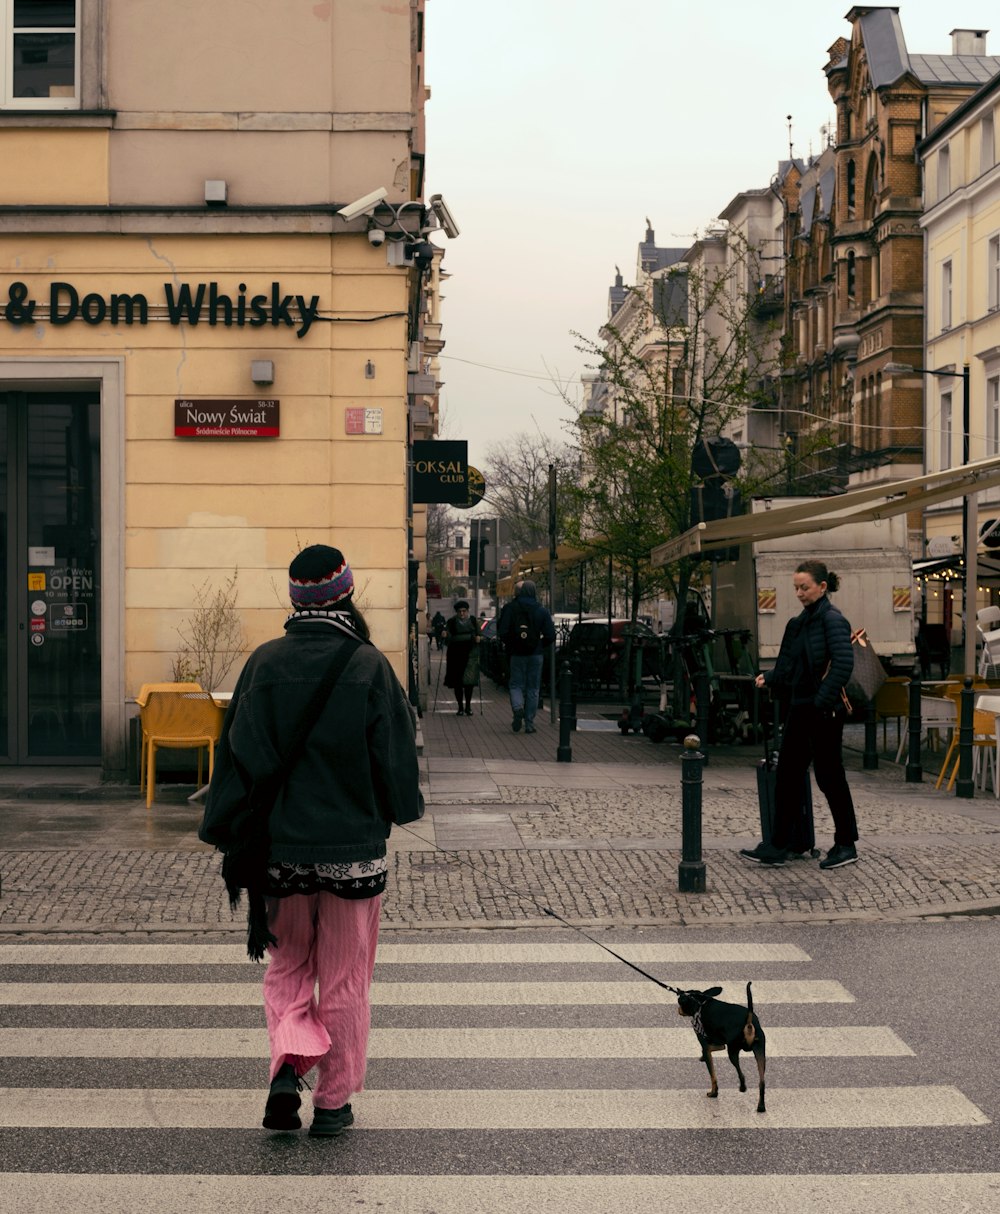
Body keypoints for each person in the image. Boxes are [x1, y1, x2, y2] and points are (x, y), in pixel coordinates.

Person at [199, 544, 423, 1137]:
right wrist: (398, 809)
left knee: (288, 967)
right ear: (345, 593)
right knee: (347, 978)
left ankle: (286, 1064)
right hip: (352, 852)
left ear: (295, 600)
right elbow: (396, 761)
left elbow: (236, 757)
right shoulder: (369, 666)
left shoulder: (263, 664)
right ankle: (332, 1102)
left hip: (279, 853)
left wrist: (226, 828)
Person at [739, 559, 860, 870]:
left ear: (822, 586)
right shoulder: (804, 620)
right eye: (796, 588)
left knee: (829, 777)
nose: (799, 593)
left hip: (822, 711)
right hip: (802, 707)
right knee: (788, 775)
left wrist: (821, 702)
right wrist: (772, 676)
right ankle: (780, 845)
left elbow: (843, 665)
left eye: (804, 587)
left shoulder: (832, 619)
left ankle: (846, 843)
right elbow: (793, 664)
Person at [497, 579, 556, 734]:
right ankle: (529, 723)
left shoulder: (510, 608)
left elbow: (502, 631)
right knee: (533, 688)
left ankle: (517, 708)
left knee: (516, 684)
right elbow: (550, 635)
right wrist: (539, 644)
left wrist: (511, 645)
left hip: (517, 654)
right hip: (535, 654)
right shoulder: (541, 610)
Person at [443, 599, 480, 715]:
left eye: (464, 611)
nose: (462, 614)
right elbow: (447, 637)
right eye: (460, 612)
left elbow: (480, 635)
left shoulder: (473, 621)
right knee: (457, 682)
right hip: (455, 654)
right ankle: (460, 707)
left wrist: (479, 639)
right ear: (457, 612)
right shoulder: (451, 622)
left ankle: (468, 707)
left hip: (470, 653)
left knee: (469, 681)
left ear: (468, 611)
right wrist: (445, 635)